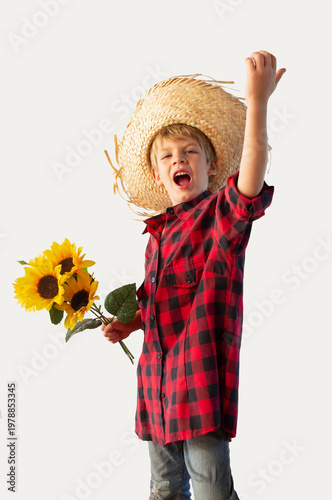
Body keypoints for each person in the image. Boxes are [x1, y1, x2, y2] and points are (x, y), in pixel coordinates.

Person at [102, 50, 286, 500]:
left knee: (210, 490)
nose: (177, 159)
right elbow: (160, 300)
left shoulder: (220, 217)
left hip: (198, 384)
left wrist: (257, 102)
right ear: (156, 173)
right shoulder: (156, 236)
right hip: (156, 387)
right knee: (163, 487)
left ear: (209, 164)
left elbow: (251, 179)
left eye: (189, 152)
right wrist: (131, 322)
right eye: (166, 155)